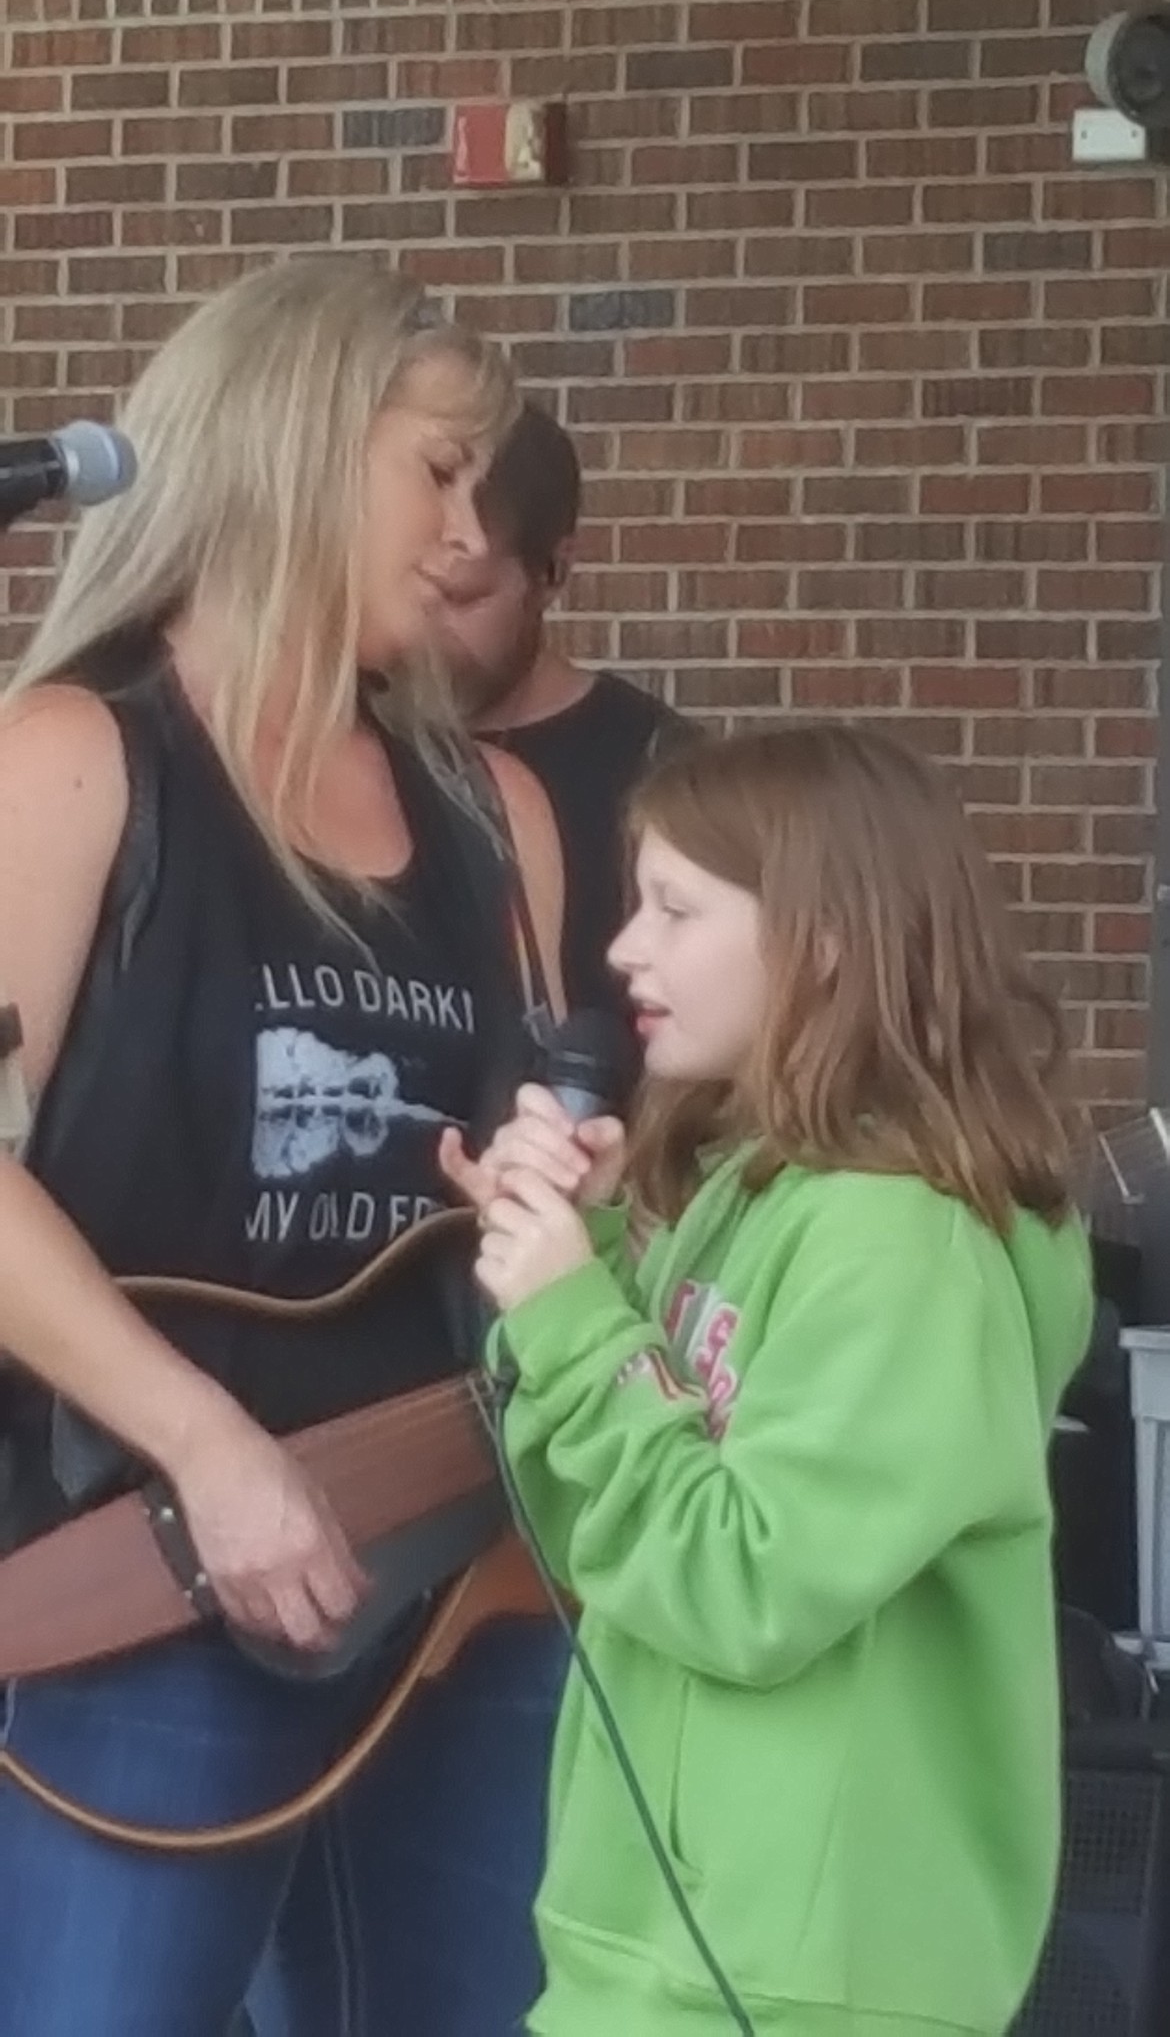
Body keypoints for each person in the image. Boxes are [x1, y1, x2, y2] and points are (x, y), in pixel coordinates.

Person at [0, 257, 569, 2037]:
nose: (471, 531)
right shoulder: (77, 760)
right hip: (155, 1569)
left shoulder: (499, 807)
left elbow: (532, 1135)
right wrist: (211, 1448)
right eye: (437, 471)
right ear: (299, 447)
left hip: (468, 1574)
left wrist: (569, 1177)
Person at [449, 725, 1094, 2037]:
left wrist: (580, 1327)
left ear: (826, 938)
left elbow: (748, 1585)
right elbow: (595, 1539)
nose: (625, 949)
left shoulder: (904, 1241)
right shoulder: (740, 1193)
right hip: (652, 1942)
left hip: (797, 1979)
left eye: (675, 908)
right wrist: (596, 1266)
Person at [435, 400, 689, 1014]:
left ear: (553, 571)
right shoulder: (352, 753)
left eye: (459, 597)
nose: (422, 631)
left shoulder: (662, 769)